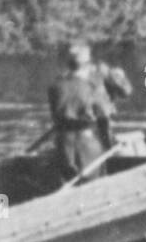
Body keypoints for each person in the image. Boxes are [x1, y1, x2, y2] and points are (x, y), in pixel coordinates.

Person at [47, 43, 133, 182]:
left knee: (70, 182)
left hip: (63, 145)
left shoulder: (55, 86)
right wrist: (111, 146)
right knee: (95, 184)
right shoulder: (92, 86)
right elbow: (103, 117)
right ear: (86, 64)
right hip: (88, 144)